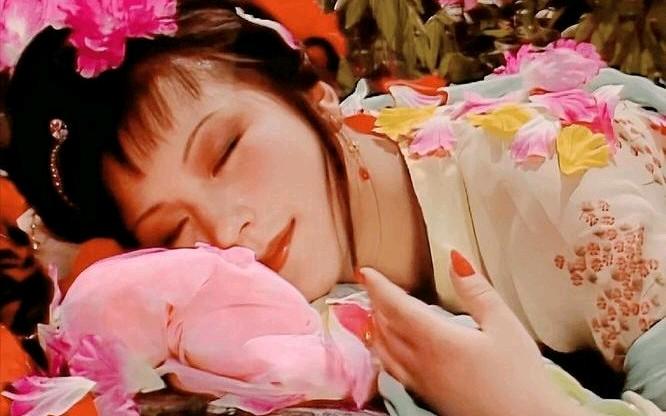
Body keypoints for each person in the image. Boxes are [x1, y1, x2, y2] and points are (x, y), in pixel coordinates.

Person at [3, 0, 666, 415]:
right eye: (174, 229)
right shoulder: (321, 217)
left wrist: (517, 405)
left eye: (226, 151)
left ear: (319, 100)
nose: (226, 228)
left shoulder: (577, 205)